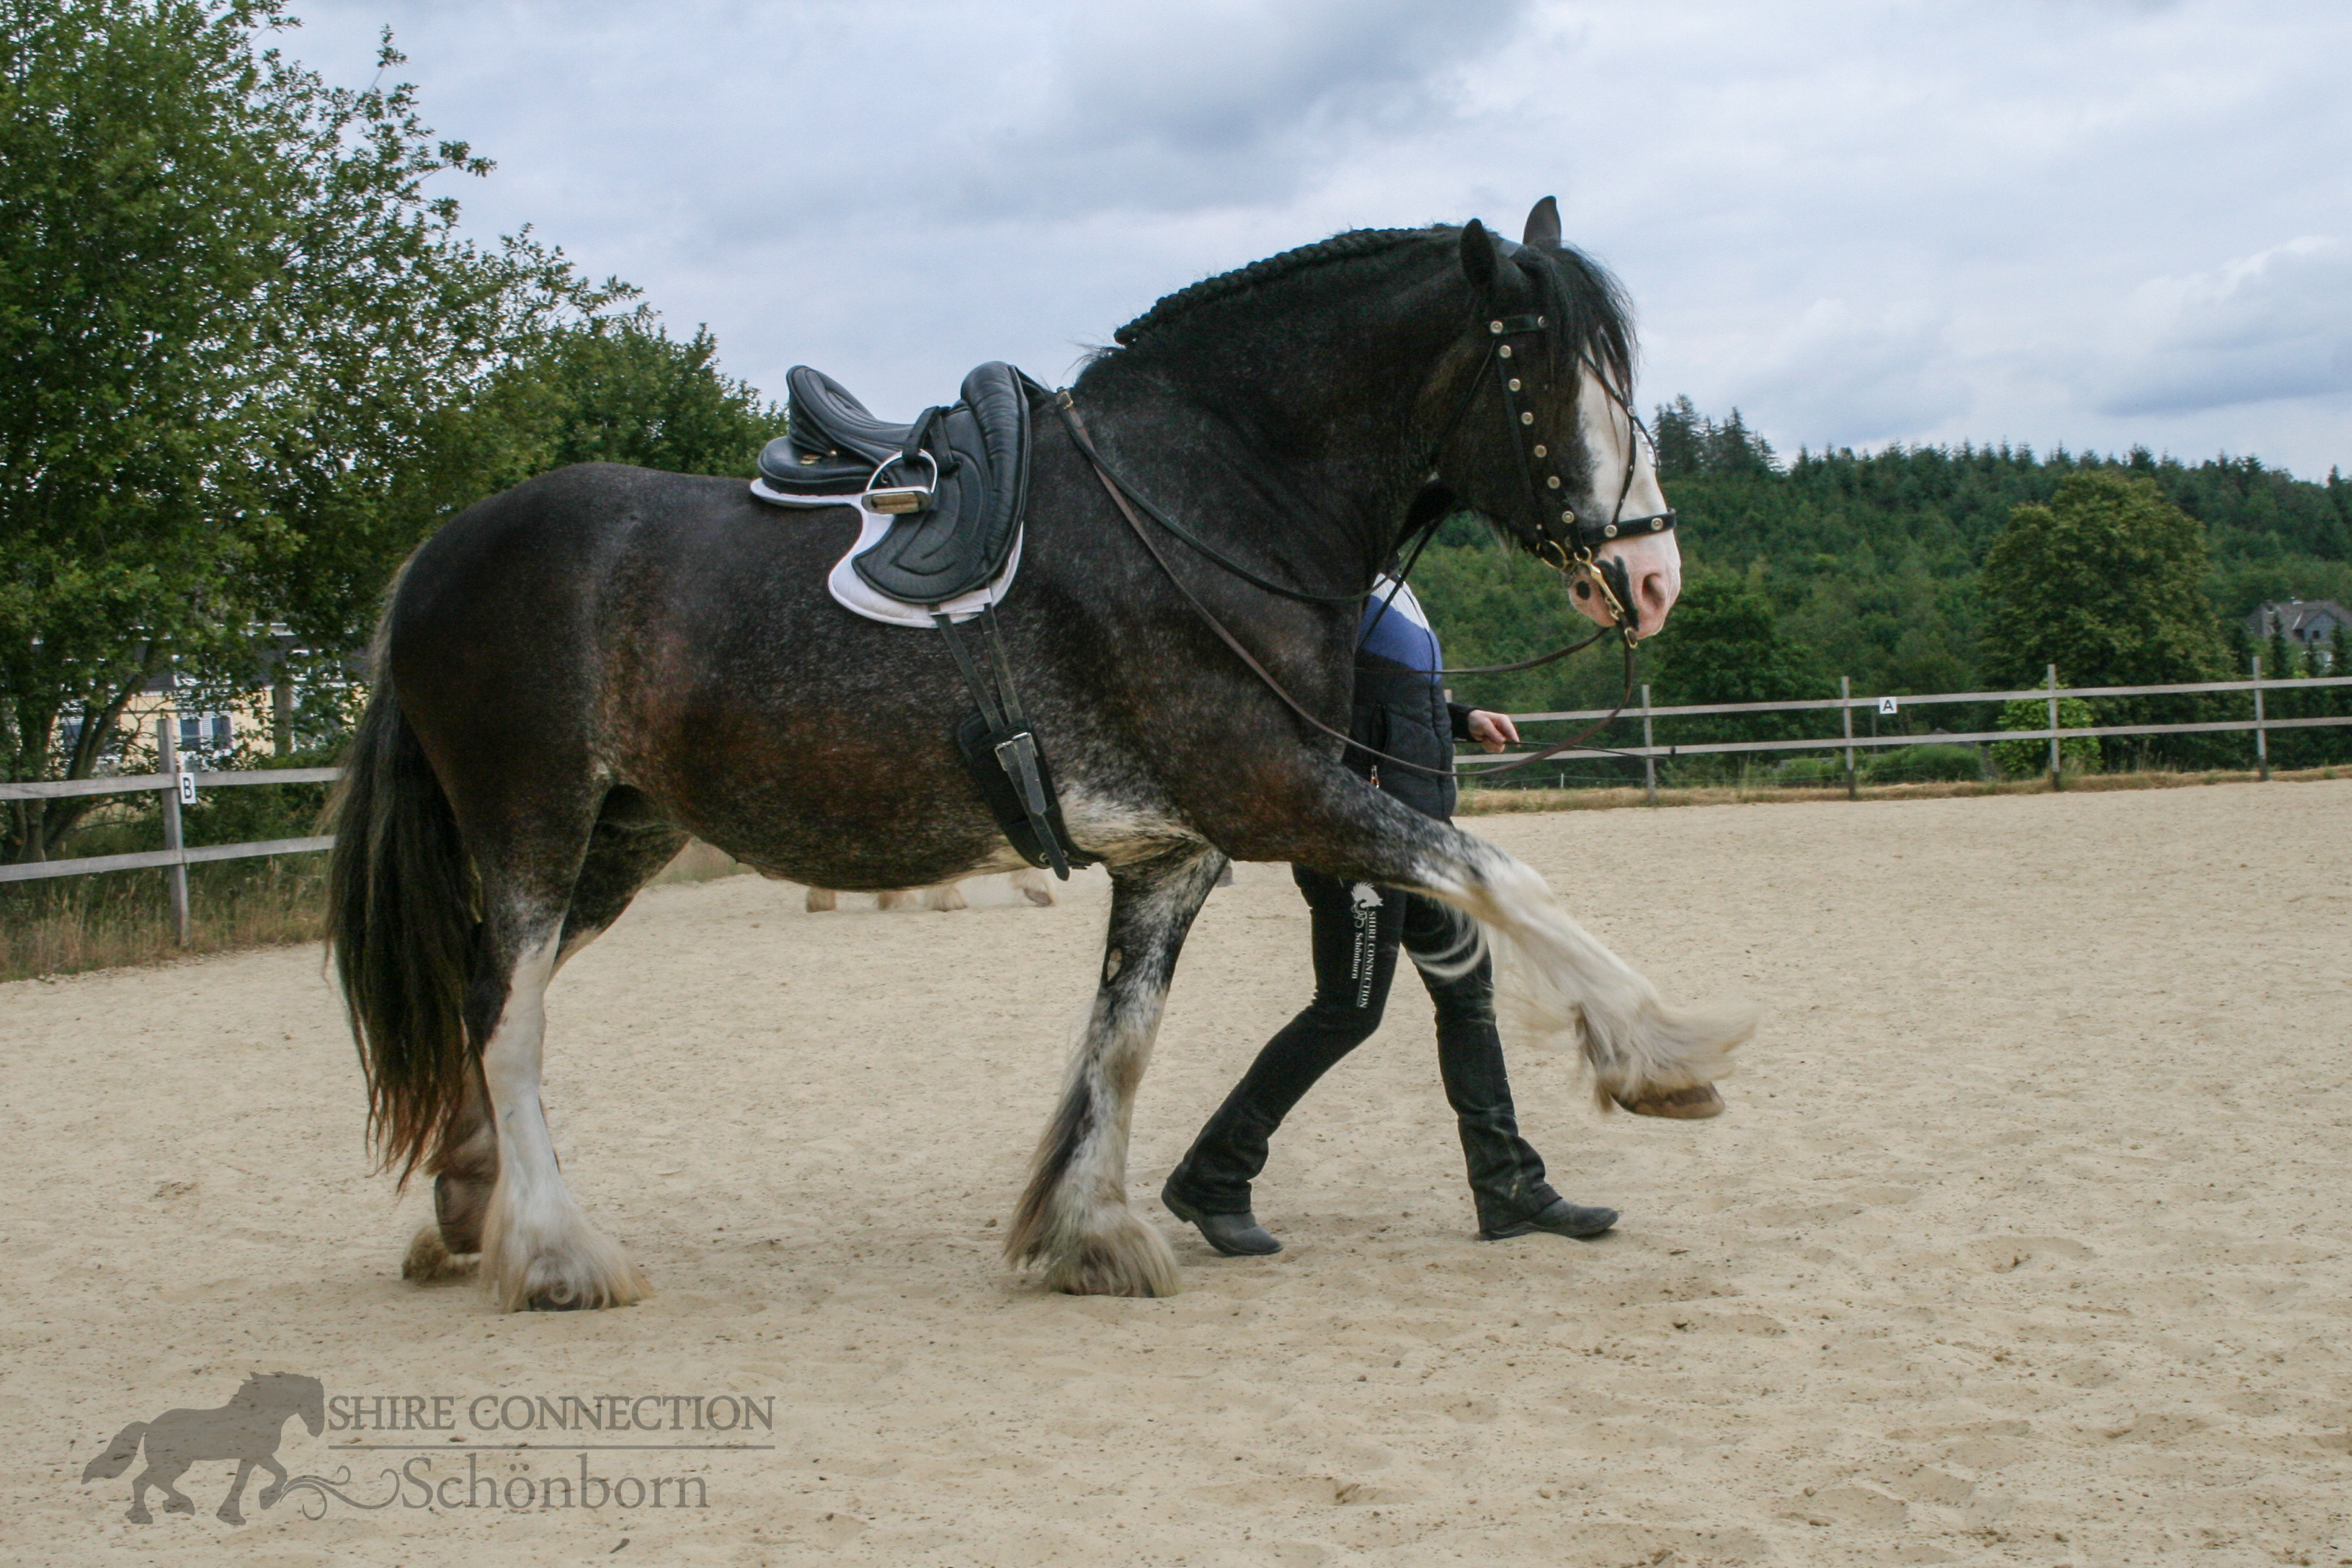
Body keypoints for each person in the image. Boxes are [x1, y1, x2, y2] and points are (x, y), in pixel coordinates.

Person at [1160, 573, 1619, 1255]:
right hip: (1356, 844)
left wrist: (1461, 718)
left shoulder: (1386, 583)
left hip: (1426, 838)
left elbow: (1387, 690)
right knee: (1346, 1011)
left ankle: (1510, 1189)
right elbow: (1301, 696)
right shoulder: (1317, 580)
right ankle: (1213, 1176)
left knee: (1469, 1003)